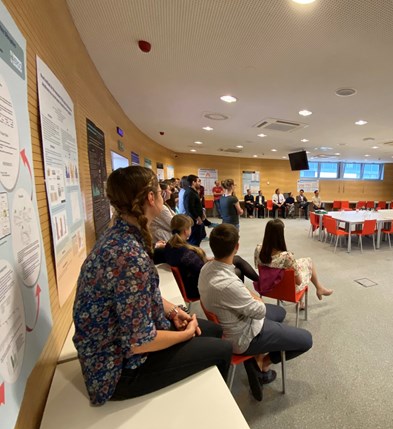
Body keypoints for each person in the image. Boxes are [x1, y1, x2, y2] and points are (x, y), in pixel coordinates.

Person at [72, 166, 232, 406]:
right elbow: (139, 342)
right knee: (222, 349)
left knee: (214, 331)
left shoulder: (122, 236)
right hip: (117, 370)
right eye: (160, 191)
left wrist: (174, 311)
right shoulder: (128, 256)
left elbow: (141, 295)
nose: (163, 195)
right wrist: (185, 334)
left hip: (125, 340)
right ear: (150, 197)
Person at [199, 224, 313, 401]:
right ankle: (263, 364)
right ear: (236, 247)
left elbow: (246, 297)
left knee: (280, 313)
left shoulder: (206, 269)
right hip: (244, 336)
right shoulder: (229, 284)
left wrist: (250, 296)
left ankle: (259, 356)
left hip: (231, 324)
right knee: (306, 340)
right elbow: (259, 310)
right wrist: (254, 298)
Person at [165, 214, 258, 299]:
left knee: (236, 259)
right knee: (237, 271)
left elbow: (196, 265)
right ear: (186, 231)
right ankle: (241, 295)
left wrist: (212, 260)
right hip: (197, 286)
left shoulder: (170, 245)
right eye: (190, 227)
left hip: (192, 279)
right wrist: (215, 262)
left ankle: (258, 282)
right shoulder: (185, 253)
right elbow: (203, 272)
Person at [255, 219, 333, 307]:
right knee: (308, 264)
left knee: (301, 263)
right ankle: (318, 288)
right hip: (286, 290)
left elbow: (260, 268)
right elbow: (299, 282)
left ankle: (304, 300)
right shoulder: (287, 257)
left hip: (267, 286)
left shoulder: (258, 249)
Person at [184, 174, 206, 245]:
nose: (199, 183)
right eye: (198, 181)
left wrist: (202, 213)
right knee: (194, 240)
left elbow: (197, 205)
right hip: (194, 221)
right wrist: (197, 218)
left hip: (197, 219)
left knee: (198, 238)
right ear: (193, 182)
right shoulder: (190, 193)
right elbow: (190, 208)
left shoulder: (193, 191)